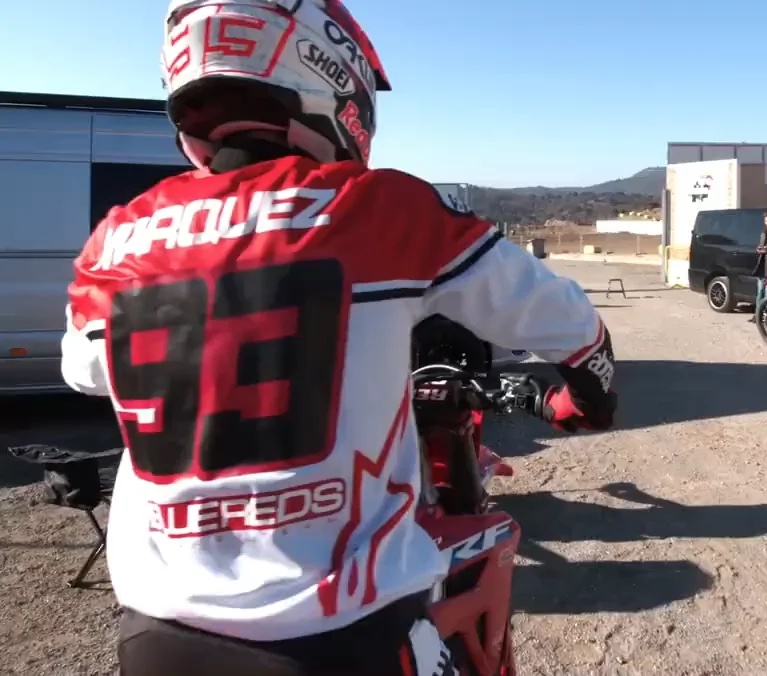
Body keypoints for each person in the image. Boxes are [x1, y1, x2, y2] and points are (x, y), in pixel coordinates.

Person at [58, 1, 617, 673]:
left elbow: (85, 370)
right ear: (328, 71)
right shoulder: (377, 206)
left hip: (158, 634)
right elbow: (573, 327)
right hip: (339, 631)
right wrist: (585, 401)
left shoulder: (115, 238)